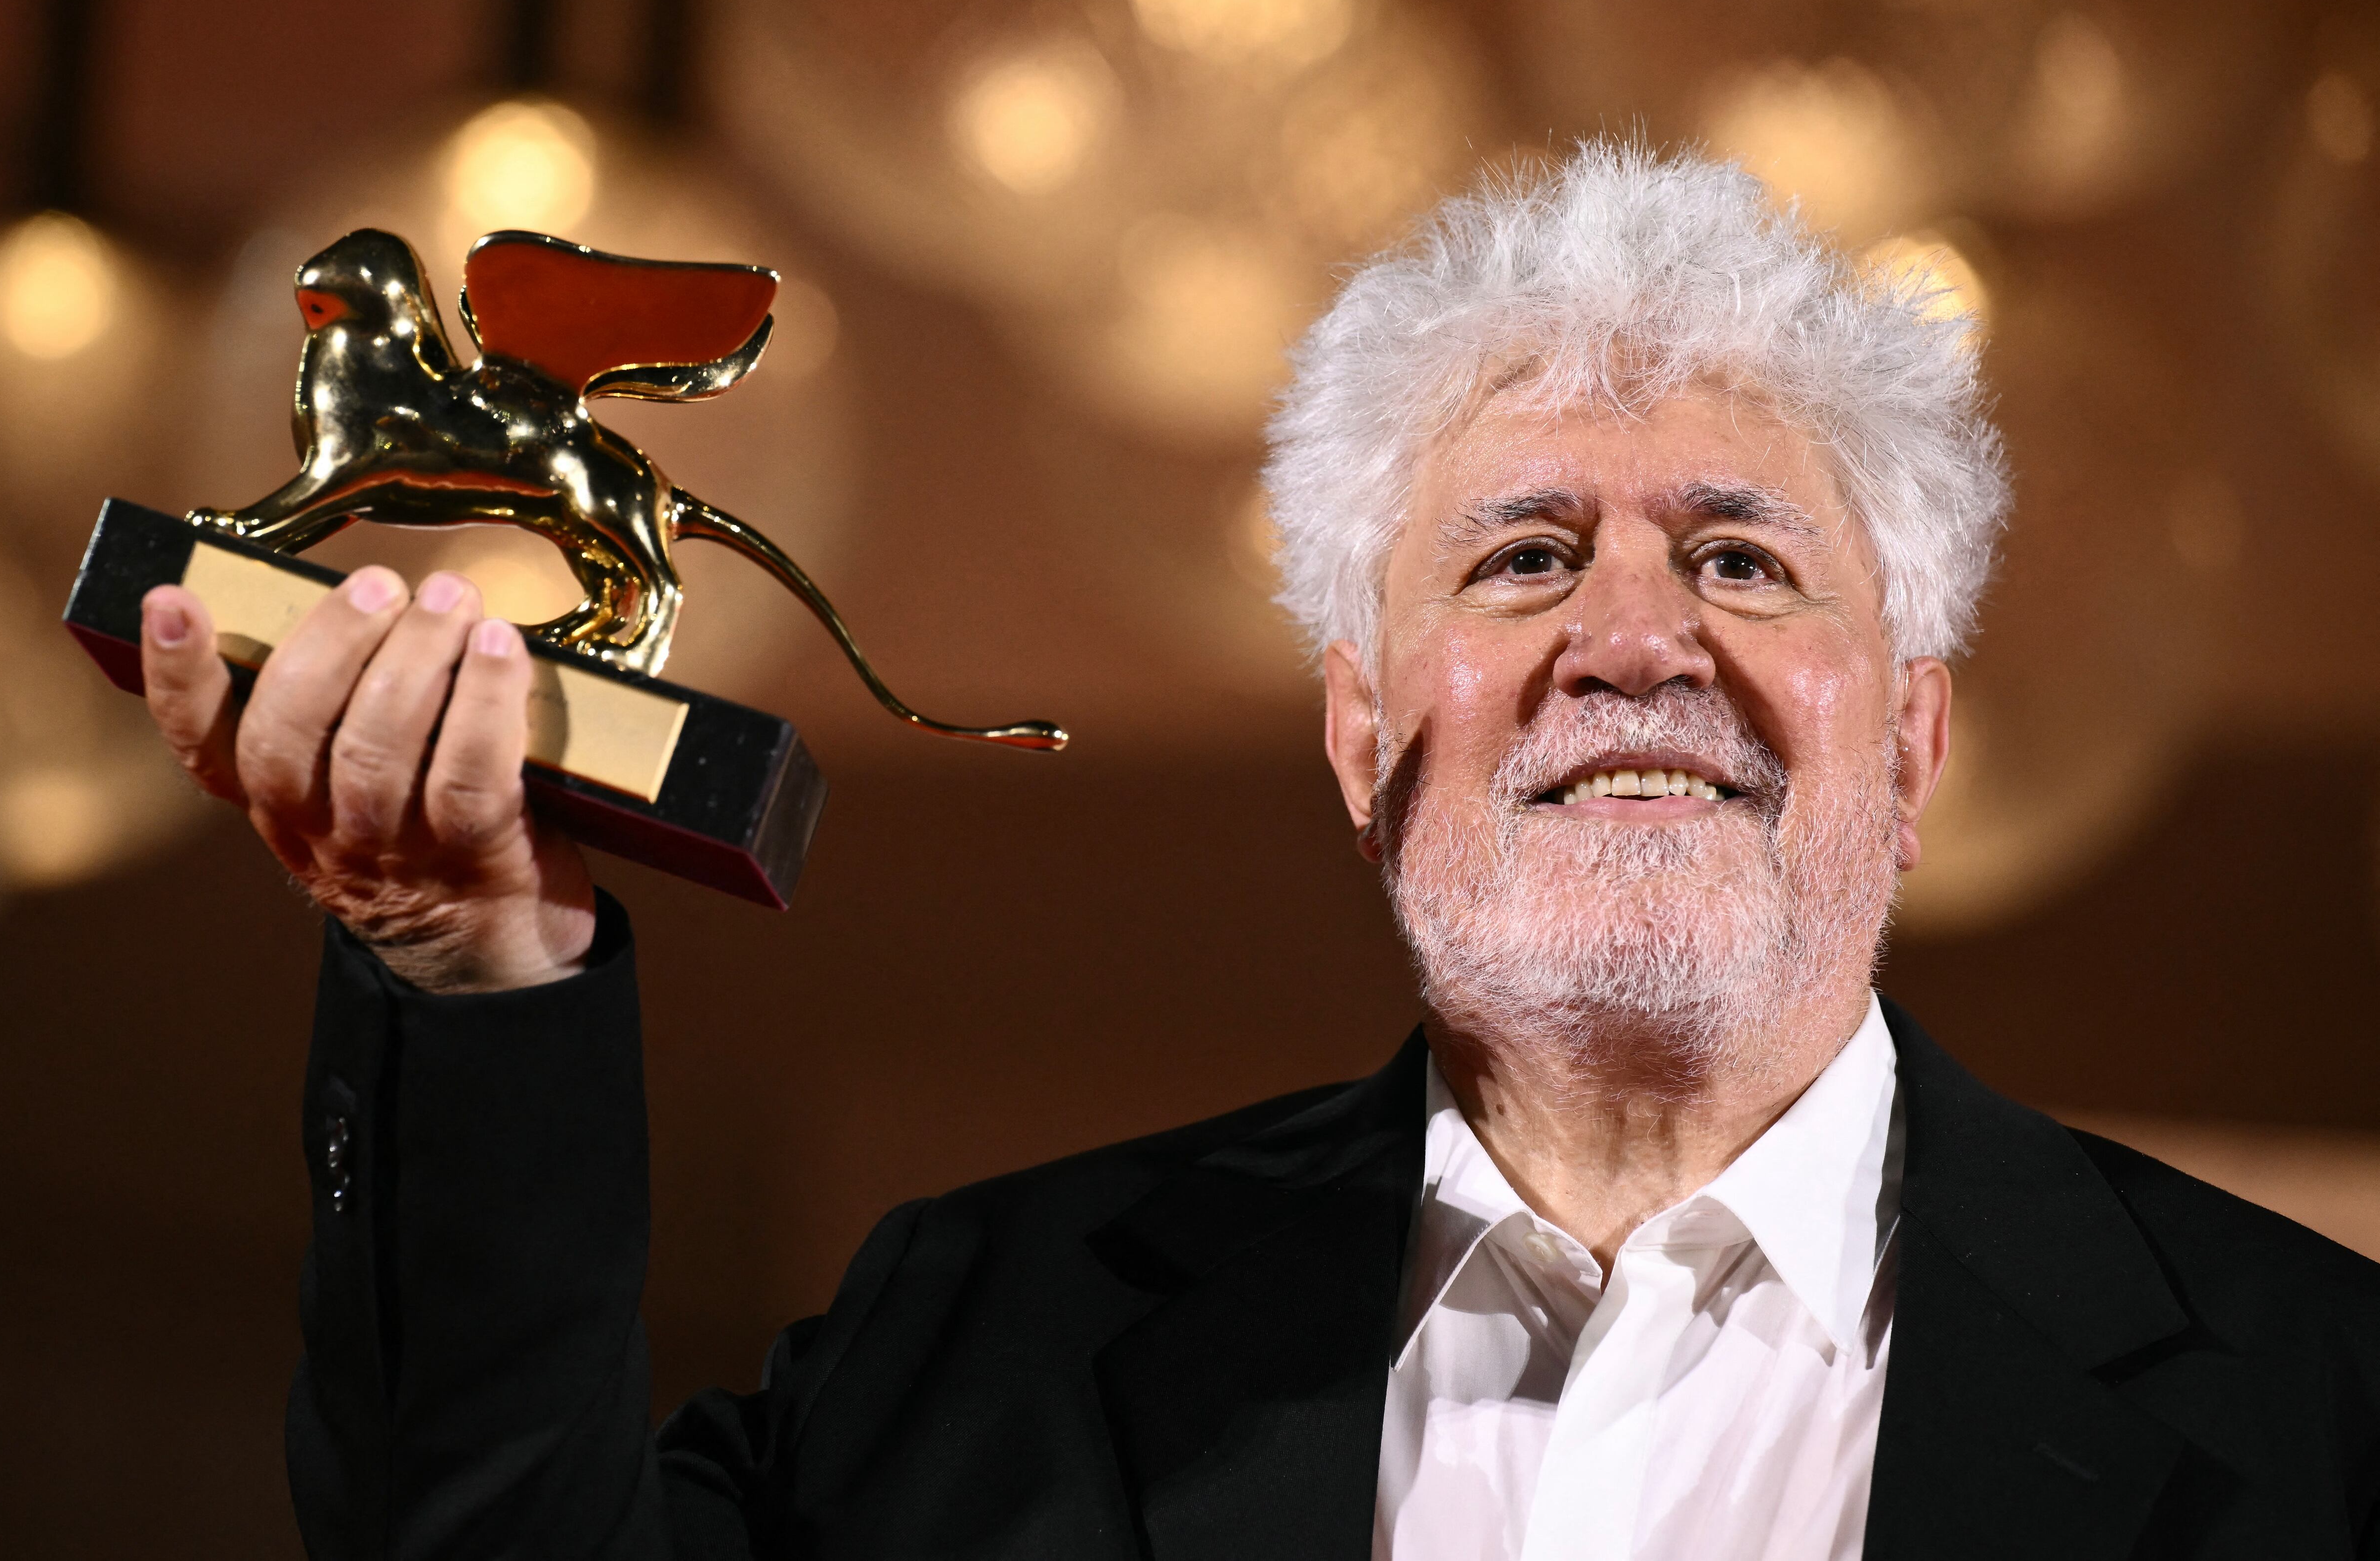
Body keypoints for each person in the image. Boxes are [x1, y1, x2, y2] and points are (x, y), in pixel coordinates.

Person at [139, 142, 2380, 1560]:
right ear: (1353, 734)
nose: (1629, 636)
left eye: (1742, 559)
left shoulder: (2323, 1411)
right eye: (1515, 559)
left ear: (1907, 742)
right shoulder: (972, 1342)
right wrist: (460, 968)